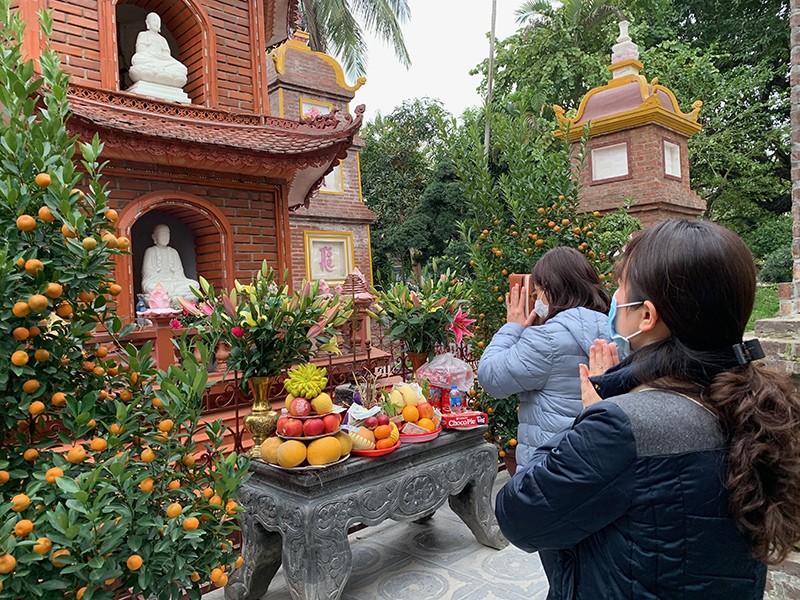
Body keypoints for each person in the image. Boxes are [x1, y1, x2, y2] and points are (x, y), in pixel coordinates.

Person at [495, 220, 800, 599]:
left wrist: (591, 414)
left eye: (621, 286)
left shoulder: (624, 425)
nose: (613, 297)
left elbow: (518, 515)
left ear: (646, 316)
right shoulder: (746, 399)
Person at [478, 247, 611, 467]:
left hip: (550, 466)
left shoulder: (545, 340)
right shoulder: (614, 329)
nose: (536, 301)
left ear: (550, 290)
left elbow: (490, 377)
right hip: (594, 460)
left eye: (536, 293)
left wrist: (512, 327)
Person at [128, 13, 188, 88]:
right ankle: (160, 69)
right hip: (149, 59)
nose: (156, 23)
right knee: (137, 58)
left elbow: (167, 56)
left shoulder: (162, 39)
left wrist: (161, 57)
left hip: (161, 61)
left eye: (158, 22)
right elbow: (140, 51)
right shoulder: (143, 35)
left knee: (182, 68)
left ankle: (160, 68)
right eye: (154, 21)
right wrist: (153, 55)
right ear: (148, 23)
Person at [141, 223, 199, 301]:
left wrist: (173, 280)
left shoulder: (174, 252)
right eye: (162, 235)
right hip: (159, 283)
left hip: (175, 283)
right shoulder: (150, 251)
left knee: (195, 284)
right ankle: (177, 296)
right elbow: (148, 274)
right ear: (154, 237)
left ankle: (169, 296)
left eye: (167, 235)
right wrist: (163, 280)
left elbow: (180, 274)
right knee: (150, 286)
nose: (165, 237)